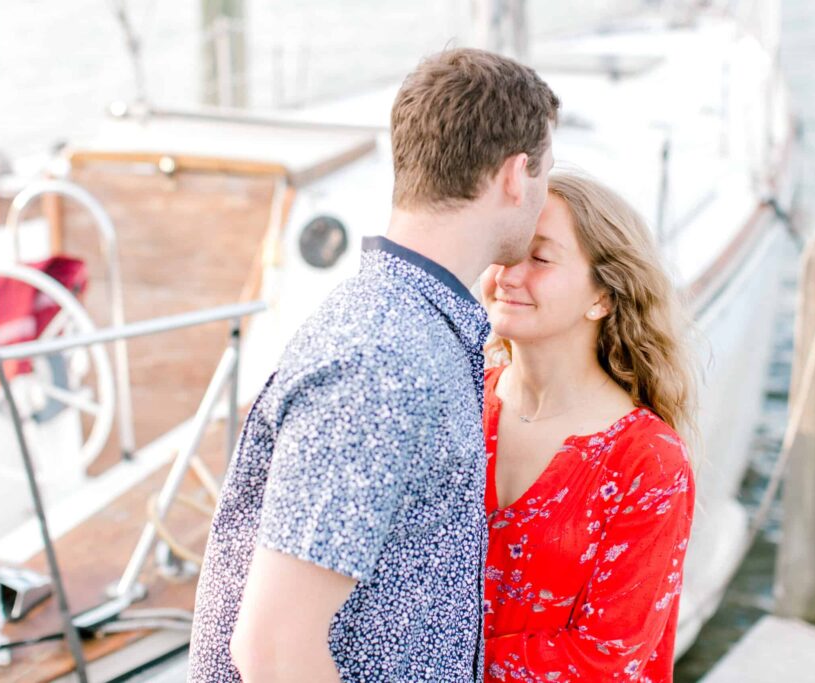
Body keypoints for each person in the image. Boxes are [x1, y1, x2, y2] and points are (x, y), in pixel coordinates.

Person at [188, 48, 559, 682]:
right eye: (547, 172)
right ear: (515, 175)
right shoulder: (384, 361)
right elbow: (274, 650)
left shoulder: (405, 331)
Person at [479, 172, 697, 682]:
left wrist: (426, 661)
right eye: (506, 250)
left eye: (540, 258)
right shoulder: (459, 400)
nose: (508, 275)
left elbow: (604, 661)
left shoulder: (648, 462)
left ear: (602, 297)